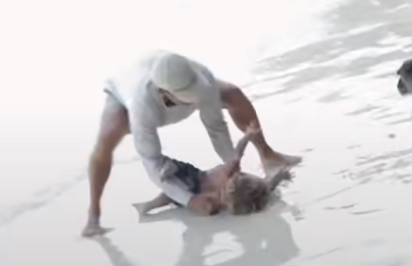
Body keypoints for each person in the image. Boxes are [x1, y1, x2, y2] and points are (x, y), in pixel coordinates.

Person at [83, 51, 301, 237]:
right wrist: (189, 200)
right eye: (190, 97)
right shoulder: (142, 109)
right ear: (165, 95)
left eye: (197, 92)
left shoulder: (202, 79)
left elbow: (215, 127)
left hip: (161, 67)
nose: (198, 99)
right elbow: (154, 164)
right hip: (123, 93)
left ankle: (267, 154)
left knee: (232, 94)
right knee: (107, 137)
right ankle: (93, 215)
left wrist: (232, 163)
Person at [131, 122, 290, 218]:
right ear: (238, 176)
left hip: (191, 194)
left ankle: (148, 205)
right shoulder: (229, 172)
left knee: (173, 195)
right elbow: (238, 152)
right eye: (223, 195)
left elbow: (269, 187)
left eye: (226, 203)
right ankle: (172, 168)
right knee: (181, 178)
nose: (222, 200)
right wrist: (248, 136)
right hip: (197, 178)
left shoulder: (230, 202)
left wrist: (196, 202)